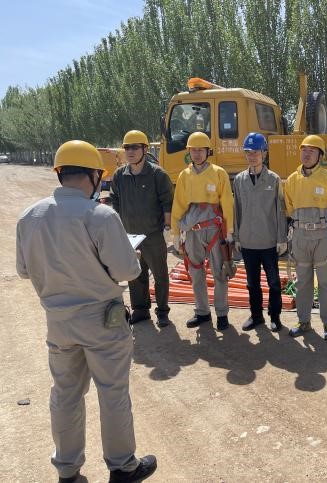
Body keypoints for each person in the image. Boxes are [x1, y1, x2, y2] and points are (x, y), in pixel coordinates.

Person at [16, 140, 157, 483]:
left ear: (60, 173)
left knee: (65, 395)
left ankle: (68, 471)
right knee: (112, 394)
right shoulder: (100, 216)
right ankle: (122, 467)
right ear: (94, 175)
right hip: (102, 322)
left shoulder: (29, 216)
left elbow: (23, 270)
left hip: (58, 324)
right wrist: (132, 258)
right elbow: (126, 271)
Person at [170, 131, 235, 330]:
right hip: (192, 231)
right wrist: (175, 232)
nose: (197, 154)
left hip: (215, 229)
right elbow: (179, 205)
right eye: (193, 150)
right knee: (195, 272)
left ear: (208, 151)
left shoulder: (218, 173)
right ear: (189, 152)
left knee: (220, 272)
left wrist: (229, 230)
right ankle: (202, 312)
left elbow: (227, 202)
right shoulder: (184, 175)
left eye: (201, 150)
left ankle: (222, 314)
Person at [110, 130, 174, 327]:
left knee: (160, 275)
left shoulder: (157, 175)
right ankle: (140, 310)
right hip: (130, 236)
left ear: (145, 150)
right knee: (135, 275)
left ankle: (162, 311)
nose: (130, 151)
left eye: (135, 147)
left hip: (154, 235)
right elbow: (115, 201)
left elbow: (167, 202)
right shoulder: (119, 175)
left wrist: (168, 227)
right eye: (127, 148)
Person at [284, 135, 327, 341]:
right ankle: (304, 321)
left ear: (320, 155)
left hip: (323, 237)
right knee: (303, 282)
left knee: (326, 282)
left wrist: (324, 226)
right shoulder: (292, 180)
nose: (307, 154)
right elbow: (289, 207)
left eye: (312, 151)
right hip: (300, 237)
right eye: (304, 150)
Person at [233, 132, 288, 332]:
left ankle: (275, 316)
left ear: (264, 153)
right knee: (252, 283)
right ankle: (256, 316)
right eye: (248, 152)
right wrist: (237, 237)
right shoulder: (239, 180)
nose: (252, 156)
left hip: (269, 241)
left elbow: (280, 210)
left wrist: (282, 238)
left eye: (256, 152)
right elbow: (236, 210)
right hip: (248, 241)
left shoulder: (274, 179)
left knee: (273, 283)